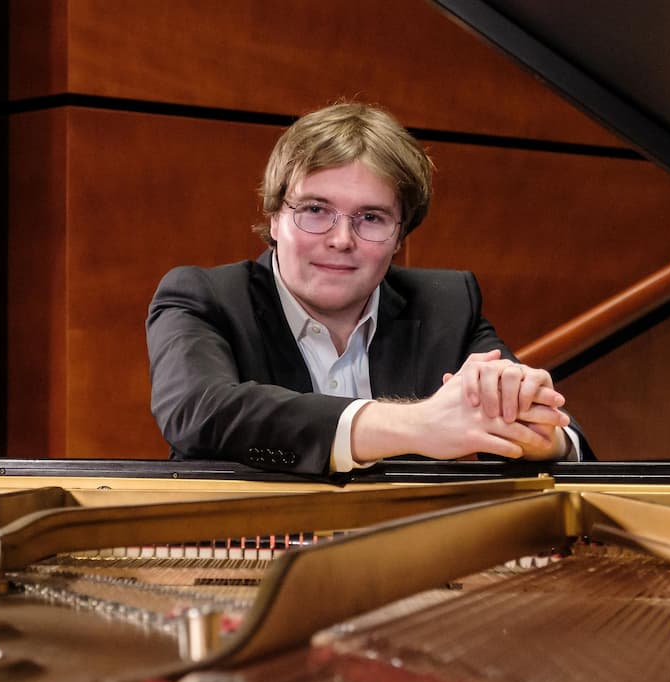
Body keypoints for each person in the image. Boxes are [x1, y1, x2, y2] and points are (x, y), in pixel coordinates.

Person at [146, 101, 587, 476]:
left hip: (414, 565)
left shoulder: (446, 305)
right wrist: (419, 424)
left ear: (400, 237)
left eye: (371, 218)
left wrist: (536, 430)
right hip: (243, 560)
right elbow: (203, 412)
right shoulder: (204, 298)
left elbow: (550, 440)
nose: (341, 239)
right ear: (275, 216)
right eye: (316, 210)